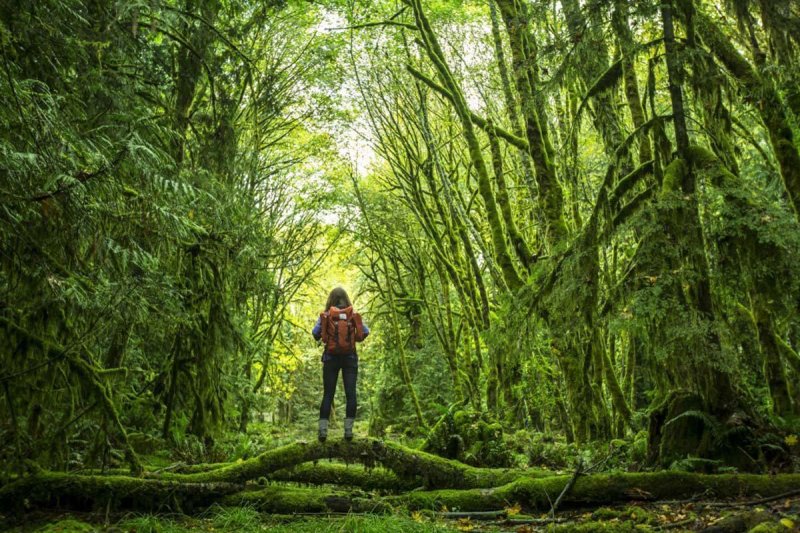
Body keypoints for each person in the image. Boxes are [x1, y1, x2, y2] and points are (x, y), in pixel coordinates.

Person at [312, 287, 369, 441]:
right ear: (346, 298)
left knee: (328, 394)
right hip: (350, 358)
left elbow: (315, 333)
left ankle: (323, 432)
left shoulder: (326, 315)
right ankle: (348, 431)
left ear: (331, 299)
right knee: (351, 394)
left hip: (330, 358)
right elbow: (365, 332)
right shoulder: (352, 315)